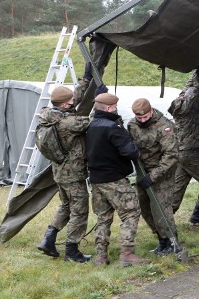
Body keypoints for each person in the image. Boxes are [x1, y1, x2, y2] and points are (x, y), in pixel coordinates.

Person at [86, 92, 149, 266]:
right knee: (131, 212)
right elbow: (130, 152)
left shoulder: (90, 125)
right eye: (114, 107)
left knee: (103, 217)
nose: (116, 109)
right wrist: (134, 146)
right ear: (108, 108)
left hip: (96, 179)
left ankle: (101, 256)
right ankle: (127, 253)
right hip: (114, 178)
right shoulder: (114, 127)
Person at [36, 86, 91, 263]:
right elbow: (91, 121)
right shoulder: (68, 123)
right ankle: (72, 251)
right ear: (67, 104)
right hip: (73, 174)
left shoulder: (48, 116)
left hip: (59, 172)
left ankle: (49, 239)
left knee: (66, 206)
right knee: (79, 210)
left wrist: (85, 83)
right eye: (71, 100)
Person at [127, 98, 180, 255]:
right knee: (144, 206)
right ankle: (161, 240)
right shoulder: (132, 125)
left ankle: (172, 241)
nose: (143, 120)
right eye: (139, 118)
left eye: (145, 117)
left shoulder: (165, 126)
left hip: (163, 172)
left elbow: (171, 155)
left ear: (151, 111)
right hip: (143, 172)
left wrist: (154, 176)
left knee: (161, 208)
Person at [168, 71, 199, 226]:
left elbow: (189, 89)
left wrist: (195, 74)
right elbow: (195, 90)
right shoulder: (189, 107)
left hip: (181, 154)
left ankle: (165, 219)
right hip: (190, 153)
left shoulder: (179, 107)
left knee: (178, 188)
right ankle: (198, 213)